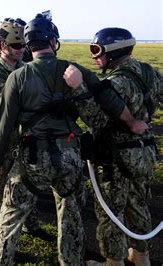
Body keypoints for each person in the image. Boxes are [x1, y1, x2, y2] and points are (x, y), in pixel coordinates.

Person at [0, 16, 146, 265]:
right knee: (71, 217)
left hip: (31, 159)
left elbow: (3, 124)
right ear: (53, 41)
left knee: (10, 217)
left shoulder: (17, 77)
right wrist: (132, 122)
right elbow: (107, 96)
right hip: (70, 157)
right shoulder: (74, 70)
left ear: (29, 45)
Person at [64, 27, 162, 266]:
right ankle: (141, 258)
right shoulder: (151, 73)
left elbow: (97, 120)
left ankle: (113, 262)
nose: (94, 57)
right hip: (144, 152)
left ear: (113, 51)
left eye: (97, 50)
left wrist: (78, 89)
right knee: (138, 205)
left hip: (115, 157)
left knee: (110, 213)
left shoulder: (114, 84)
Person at [0, 18, 52, 261]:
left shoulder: (25, 68)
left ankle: (31, 223)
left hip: (22, 138)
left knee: (25, 185)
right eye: (15, 46)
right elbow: (8, 106)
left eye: (23, 47)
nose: (20, 50)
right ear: (1, 45)